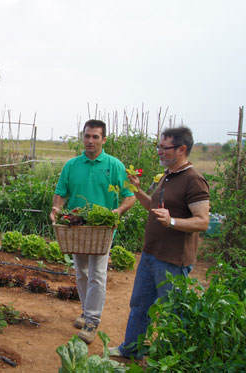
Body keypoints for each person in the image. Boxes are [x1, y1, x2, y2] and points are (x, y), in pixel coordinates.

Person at [109, 126, 209, 359]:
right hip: (151, 253)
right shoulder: (167, 175)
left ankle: (176, 358)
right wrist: (136, 189)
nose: (159, 152)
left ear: (182, 149)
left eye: (164, 148)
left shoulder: (194, 181)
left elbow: (202, 222)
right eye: (159, 147)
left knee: (173, 312)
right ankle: (130, 350)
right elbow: (152, 207)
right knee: (140, 306)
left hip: (173, 260)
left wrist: (173, 221)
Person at [50, 119, 135, 344]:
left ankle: (92, 320)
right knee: (81, 272)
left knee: (97, 274)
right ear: (83, 137)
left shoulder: (114, 166)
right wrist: (56, 209)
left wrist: (117, 211)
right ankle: (87, 311)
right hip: (76, 228)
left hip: (102, 230)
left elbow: (130, 195)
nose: (90, 140)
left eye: (95, 136)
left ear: (103, 139)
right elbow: (61, 193)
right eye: (87, 136)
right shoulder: (72, 165)